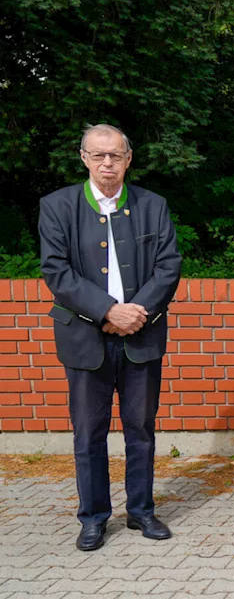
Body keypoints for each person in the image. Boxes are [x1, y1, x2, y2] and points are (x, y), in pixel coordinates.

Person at [38, 124, 182, 551]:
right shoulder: (57, 206)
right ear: (83, 158)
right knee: (89, 433)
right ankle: (94, 517)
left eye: (115, 156)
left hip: (142, 335)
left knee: (141, 429)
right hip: (86, 337)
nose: (107, 164)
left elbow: (169, 265)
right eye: (98, 155)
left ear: (128, 158)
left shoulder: (152, 205)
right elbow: (56, 271)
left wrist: (135, 313)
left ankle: (140, 511)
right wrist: (106, 310)